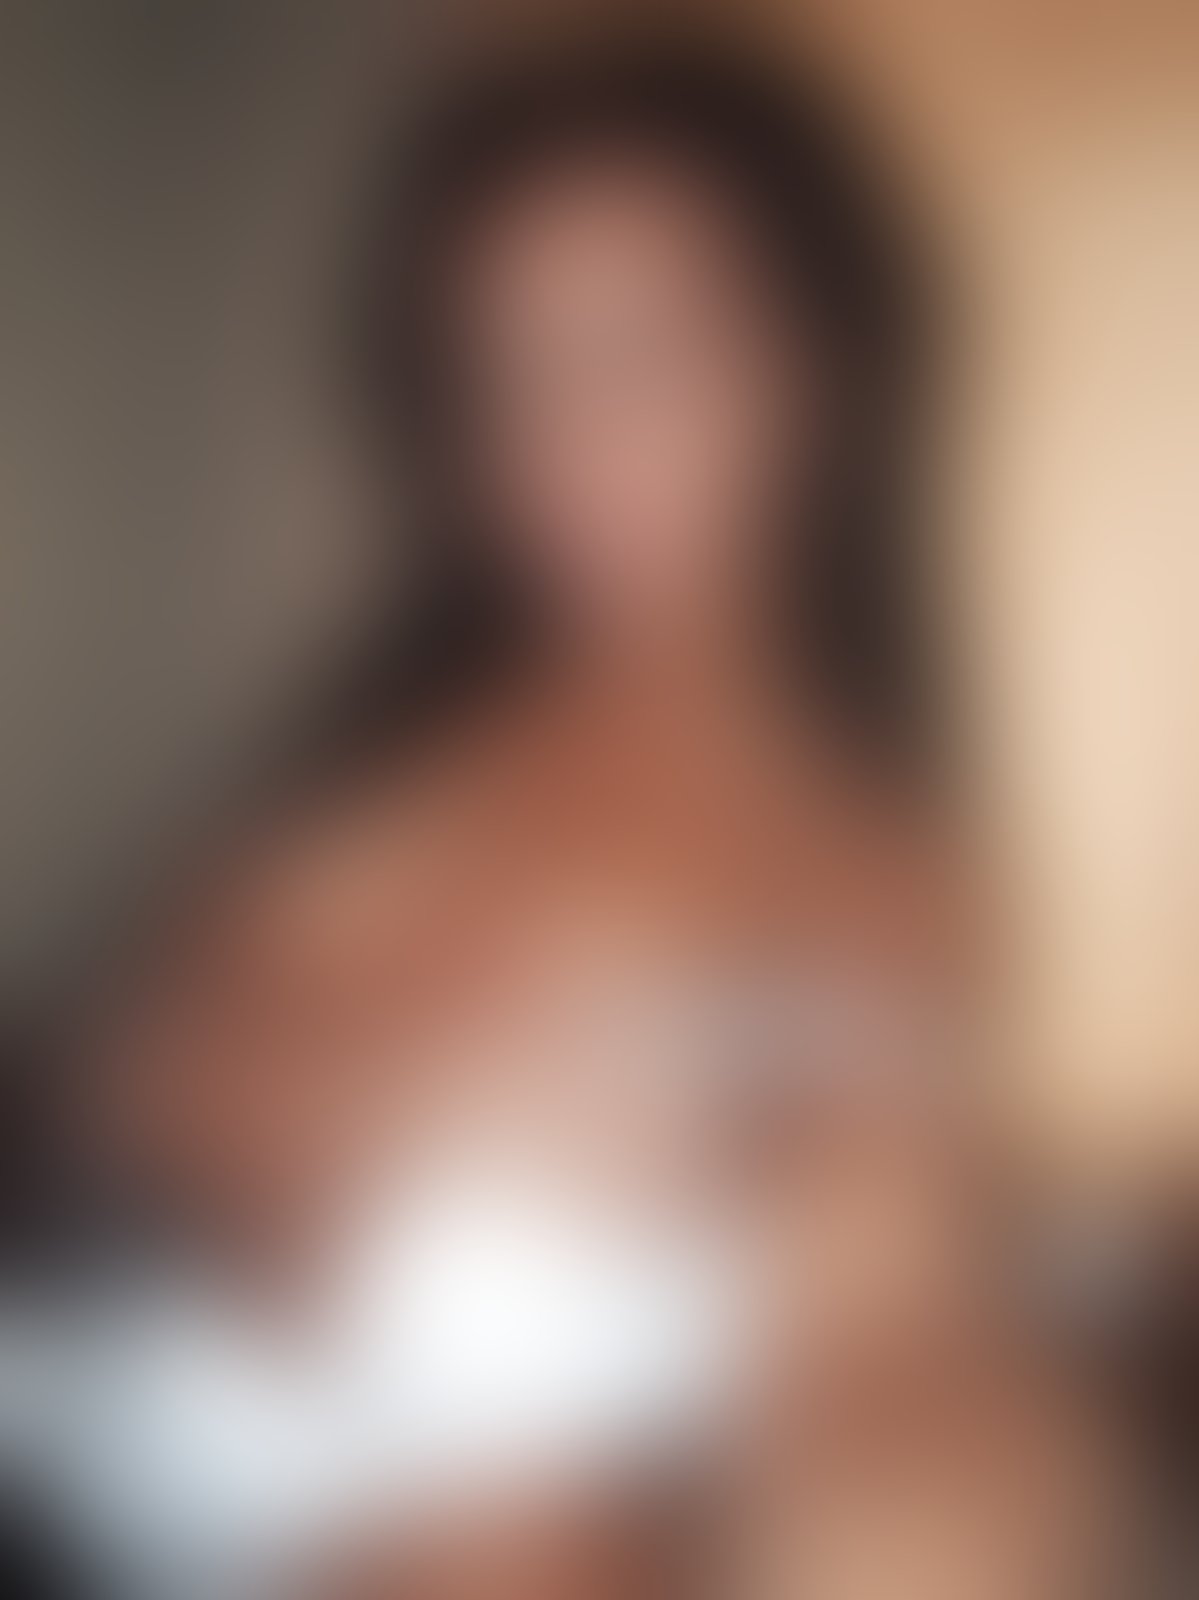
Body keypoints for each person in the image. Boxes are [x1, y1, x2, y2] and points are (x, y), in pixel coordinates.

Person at [21, 37, 1123, 1600]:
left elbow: (893, 1301)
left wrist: (858, 1264)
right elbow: (131, 1085)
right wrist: (320, 1109)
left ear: (817, 366)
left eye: (641, 357)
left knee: (975, 1495)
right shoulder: (422, 746)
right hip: (269, 1435)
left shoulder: (892, 838)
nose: (559, 453)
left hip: (658, 1436)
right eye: (504, 378)